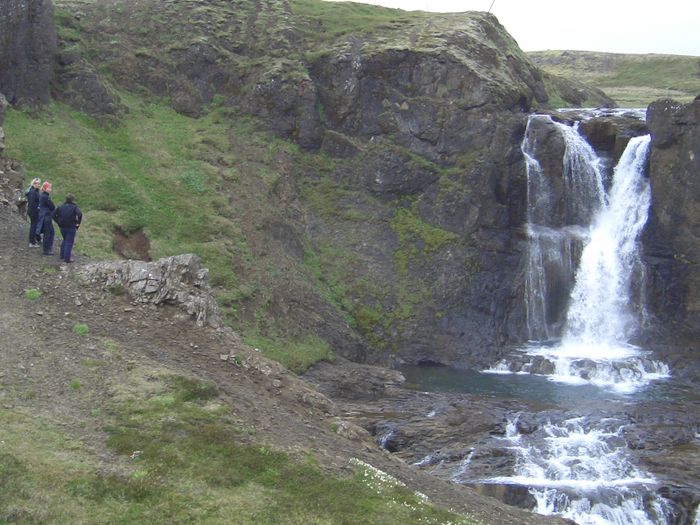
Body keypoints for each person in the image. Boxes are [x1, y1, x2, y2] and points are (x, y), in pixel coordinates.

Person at [53, 194, 82, 264]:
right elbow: (80, 214)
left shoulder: (60, 206)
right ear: (72, 200)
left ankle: (62, 255)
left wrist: (58, 222)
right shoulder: (74, 207)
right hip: (71, 227)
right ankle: (67, 259)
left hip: (62, 227)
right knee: (69, 242)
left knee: (65, 240)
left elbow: (53, 214)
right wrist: (78, 223)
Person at [36, 181, 56, 255]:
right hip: (46, 216)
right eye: (49, 187)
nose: (50, 189)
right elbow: (52, 206)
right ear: (45, 188)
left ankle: (48, 248)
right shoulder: (45, 197)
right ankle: (46, 250)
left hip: (45, 216)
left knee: (51, 232)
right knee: (48, 233)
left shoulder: (44, 196)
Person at [26, 177, 42, 247]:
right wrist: (37, 210)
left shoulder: (33, 190)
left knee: (34, 226)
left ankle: (34, 240)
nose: (39, 185)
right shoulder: (33, 192)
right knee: (33, 226)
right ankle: (32, 242)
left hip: (31, 210)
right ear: (34, 184)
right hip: (33, 211)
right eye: (38, 184)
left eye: (39, 184)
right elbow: (32, 203)